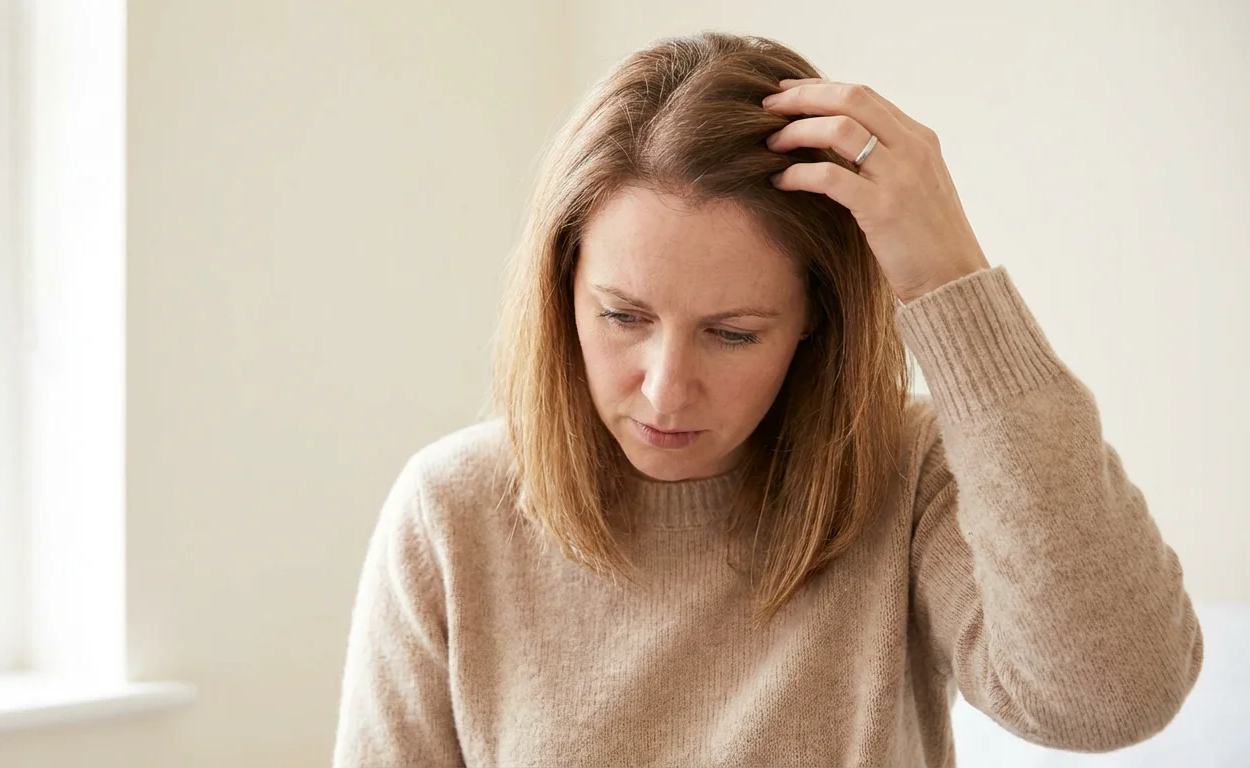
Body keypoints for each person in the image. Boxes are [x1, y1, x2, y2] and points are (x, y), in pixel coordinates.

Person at [332, 31, 1203, 767]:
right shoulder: (451, 511)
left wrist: (951, 279)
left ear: (813, 325)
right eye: (622, 316)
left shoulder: (907, 477)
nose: (666, 388)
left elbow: (1113, 698)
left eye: (735, 333)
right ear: (561, 289)